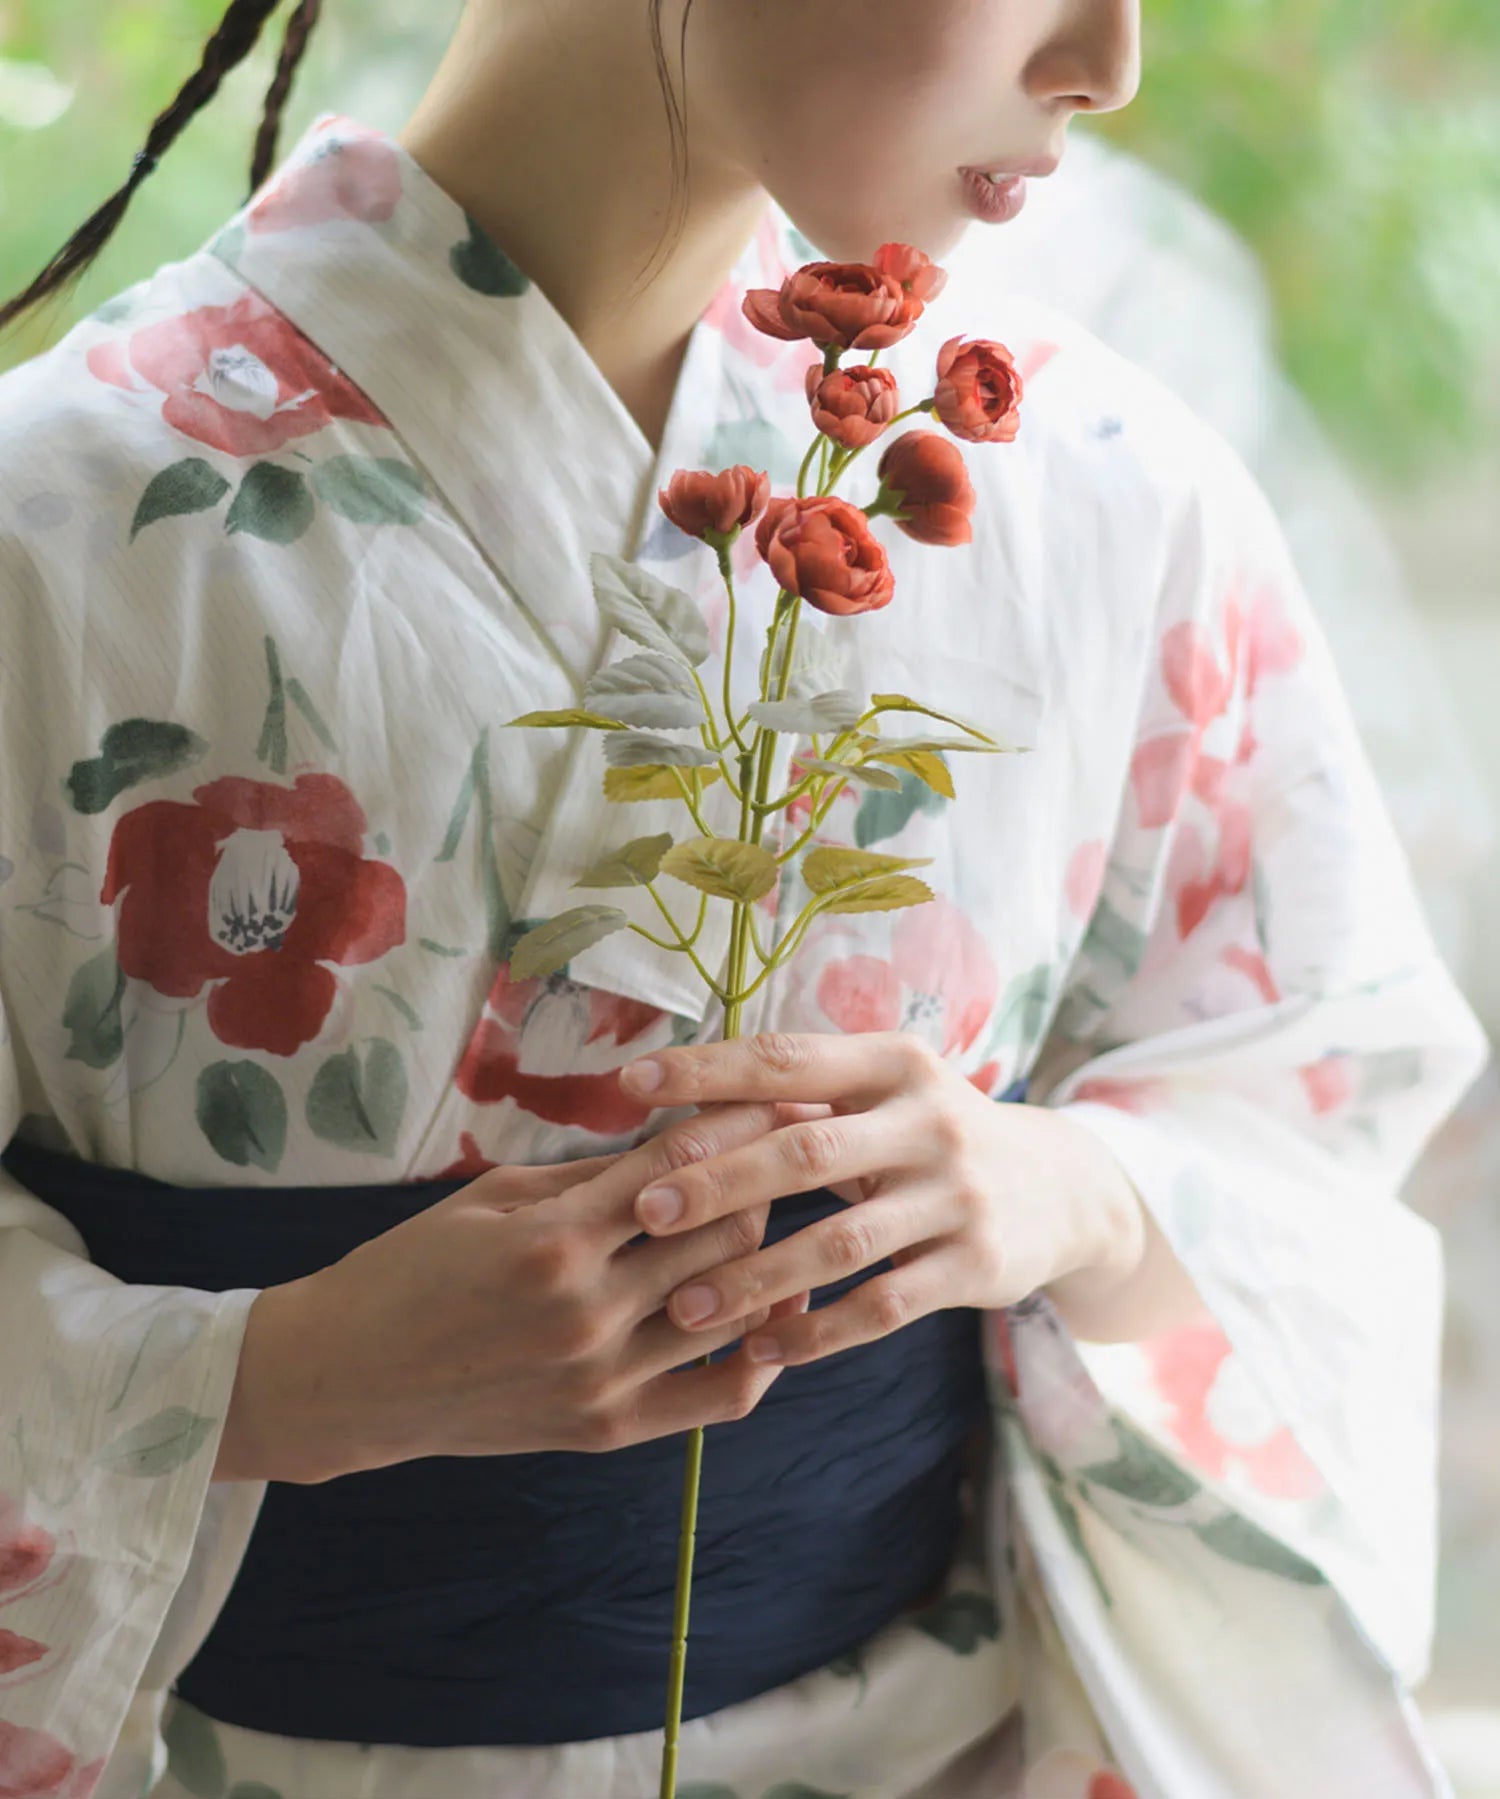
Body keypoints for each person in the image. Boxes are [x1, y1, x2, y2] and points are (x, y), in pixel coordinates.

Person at [0, 2, 1487, 1796]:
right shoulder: (51, 527)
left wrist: (1074, 1192)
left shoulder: (1102, 489)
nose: (1111, 58)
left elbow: (1317, 1087)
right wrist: (270, 1379)